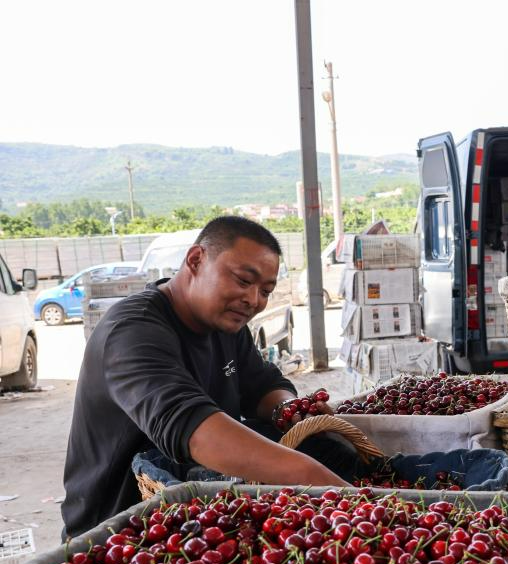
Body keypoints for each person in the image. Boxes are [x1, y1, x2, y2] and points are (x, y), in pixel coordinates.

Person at [62, 217, 353, 538]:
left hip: (197, 517)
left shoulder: (226, 325)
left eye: (265, 291)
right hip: (120, 531)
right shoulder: (132, 331)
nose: (254, 300)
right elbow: (195, 432)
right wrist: (315, 476)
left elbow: (262, 387)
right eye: (244, 280)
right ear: (196, 259)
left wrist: (290, 408)